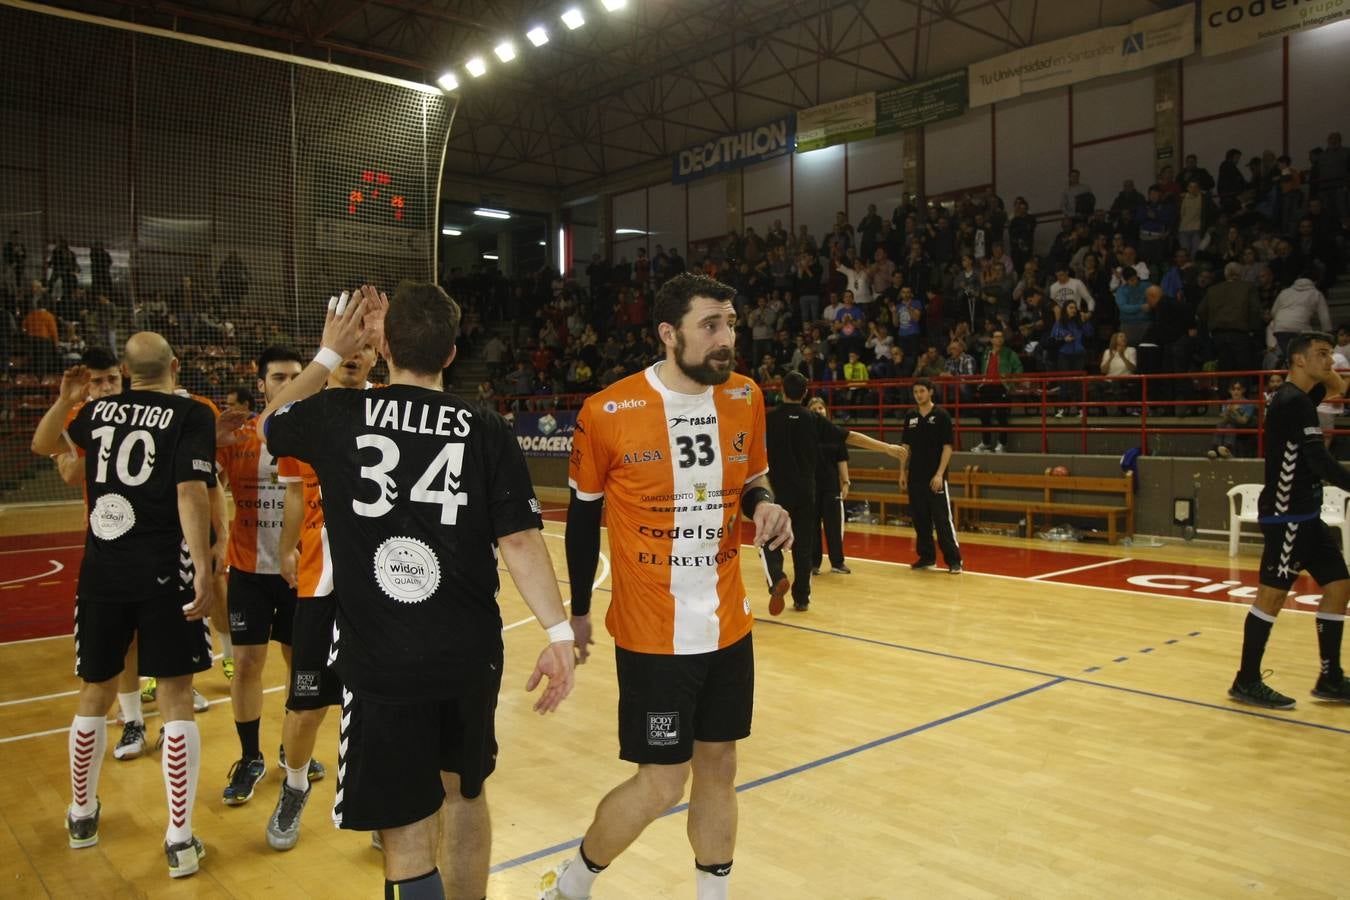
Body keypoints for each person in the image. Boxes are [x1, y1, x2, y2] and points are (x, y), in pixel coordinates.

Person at [258, 284, 575, 899]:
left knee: (403, 832)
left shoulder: (338, 415)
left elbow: (268, 426)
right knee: (464, 792)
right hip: (469, 654)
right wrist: (559, 633)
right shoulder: (486, 427)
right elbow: (520, 542)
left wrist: (328, 355)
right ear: (453, 354)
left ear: (382, 344)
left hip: (382, 660)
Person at [543, 272, 792, 900]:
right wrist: (575, 614)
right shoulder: (608, 411)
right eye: (710, 325)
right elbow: (580, 521)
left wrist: (764, 506)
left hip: (728, 624)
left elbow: (754, 476)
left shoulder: (746, 396)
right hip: (654, 632)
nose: (726, 338)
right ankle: (571, 886)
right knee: (661, 782)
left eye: (730, 323)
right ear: (667, 333)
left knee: (719, 769)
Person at [31, 332, 216, 878]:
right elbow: (190, 491)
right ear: (175, 366)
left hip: (102, 573)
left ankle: (82, 815)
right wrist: (202, 568)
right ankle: (180, 839)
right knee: (177, 696)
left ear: (125, 372)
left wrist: (67, 399)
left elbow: (43, 445)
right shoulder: (189, 413)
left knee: (95, 690)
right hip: (163, 569)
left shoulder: (98, 411)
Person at [266, 338, 380, 851]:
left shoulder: (393, 407)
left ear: (378, 355)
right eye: (346, 346)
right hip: (320, 580)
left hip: (381, 586)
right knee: (307, 705)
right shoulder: (305, 414)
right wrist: (287, 548)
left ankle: (382, 802)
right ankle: (293, 787)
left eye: (366, 347)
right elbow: (294, 491)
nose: (355, 355)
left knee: (381, 704)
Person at [217, 346, 327, 809]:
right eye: (278, 378)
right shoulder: (239, 438)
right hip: (247, 569)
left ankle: (291, 748)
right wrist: (208, 441)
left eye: (295, 377)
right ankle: (249, 757)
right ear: (261, 383)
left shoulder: (318, 435)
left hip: (299, 573)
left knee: (295, 663)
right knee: (246, 665)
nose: (286, 384)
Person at [1230, 331, 1350, 709]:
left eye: (1331, 353)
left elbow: (1338, 387)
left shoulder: (1301, 396)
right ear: (1299, 359)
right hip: (1287, 515)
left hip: (1307, 514)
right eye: (1322, 353)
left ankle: (1330, 678)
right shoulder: (1290, 402)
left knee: (1339, 585)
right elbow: (1318, 460)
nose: (1330, 361)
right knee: (1273, 594)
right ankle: (1246, 680)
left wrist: (1327, 368)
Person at [765, 371, 906, 611]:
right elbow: (851, 437)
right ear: (805, 393)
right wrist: (887, 448)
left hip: (779, 493)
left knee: (769, 541)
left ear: (781, 391)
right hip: (807, 493)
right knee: (804, 547)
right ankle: (802, 598)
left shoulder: (770, 418)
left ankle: (777, 577)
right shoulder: (813, 419)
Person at [898, 378, 962, 574]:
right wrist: (902, 471)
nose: (919, 395)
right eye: (916, 392)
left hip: (935, 477)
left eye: (922, 391)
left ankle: (954, 560)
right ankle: (926, 557)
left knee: (942, 520)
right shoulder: (910, 416)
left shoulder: (941, 415)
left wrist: (940, 474)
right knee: (920, 518)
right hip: (915, 476)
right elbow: (905, 447)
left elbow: (948, 447)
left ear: (931, 392)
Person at [806, 397, 849, 576]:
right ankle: (814, 564)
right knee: (812, 526)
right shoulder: (805, 434)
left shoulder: (835, 433)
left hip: (831, 486)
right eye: (814, 408)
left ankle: (837, 563)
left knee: (833, 526)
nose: (818, 411)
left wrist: (846, 482)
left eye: (821, 407)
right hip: (811, 488)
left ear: (826, 410)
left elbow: (842, 460)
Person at [972, 329, 1022, 453]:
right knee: (984, 416)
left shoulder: (1009, 353)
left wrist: (1010, 381)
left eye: (1001, 337)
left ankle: (1002, 444)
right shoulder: (986, 353)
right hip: (986, 386)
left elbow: (1019, 368)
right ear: (992, 340)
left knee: (1002, 415)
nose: (999, 339)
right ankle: (986, 442)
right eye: (996, 337)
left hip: (1001, 386)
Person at [1207, 380, 1256, 459]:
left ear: (1243, 390)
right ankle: (1215, 449)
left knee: (1230, 426)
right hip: (1229, 424)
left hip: (1244, 426)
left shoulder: (1248, 403)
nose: (1236, 392)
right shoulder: (1227, 402)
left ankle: (1227, 449)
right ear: (1230, 391)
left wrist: (1234, 412)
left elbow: (1244, 421)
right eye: (1233, 389)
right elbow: (1224, 419)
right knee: (1221, 424)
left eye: (1238, 389)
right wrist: (1227, 412)